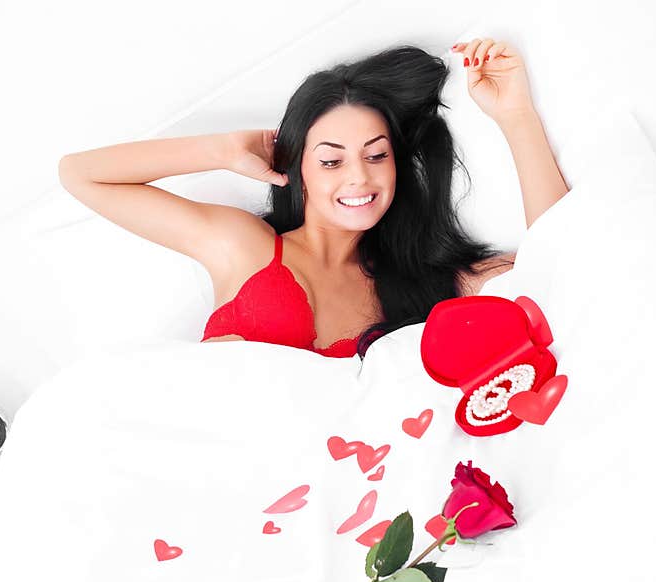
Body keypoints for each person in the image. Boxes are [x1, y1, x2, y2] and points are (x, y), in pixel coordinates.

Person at [58, 37, 568, 359]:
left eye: (376, 156)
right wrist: (221, 149)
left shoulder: (431, 283)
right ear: (299, 168)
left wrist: (517, 116)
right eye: (331, 160)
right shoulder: (244, 246)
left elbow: (564, 263)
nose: (358, 179)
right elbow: (81, 175)